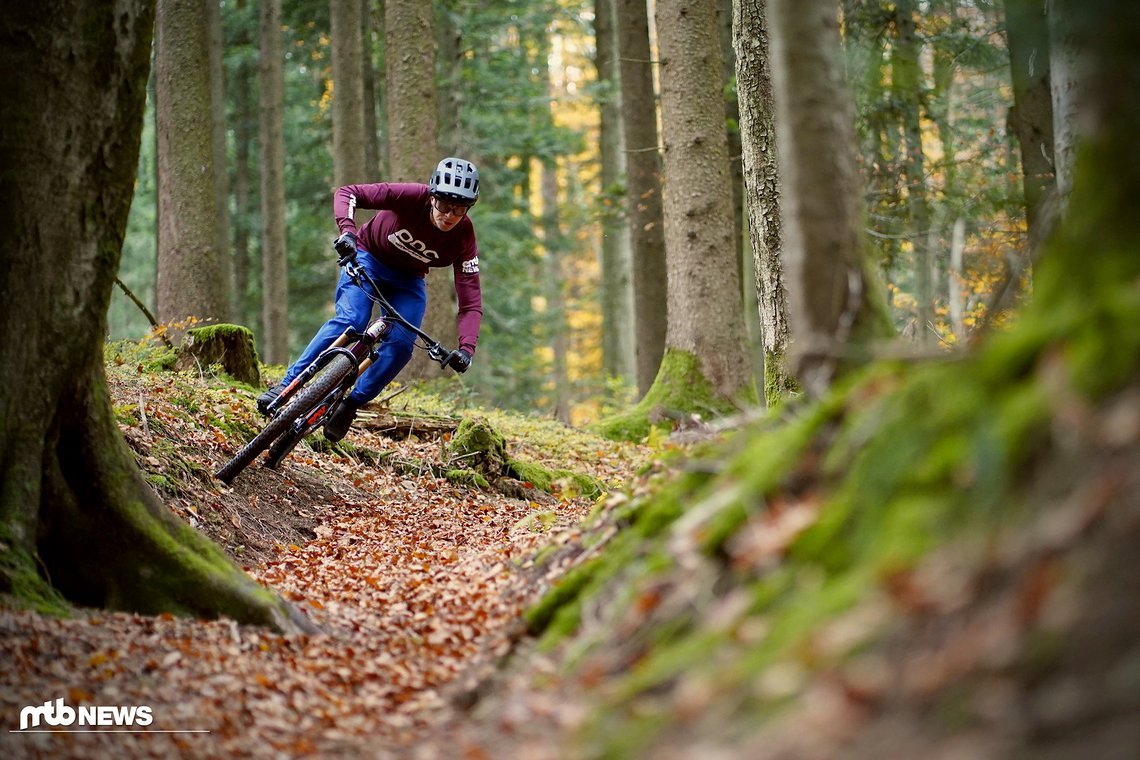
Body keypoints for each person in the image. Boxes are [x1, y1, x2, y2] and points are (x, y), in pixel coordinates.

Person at [258, 156, 483, 442]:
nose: (449, 215)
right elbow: (348, 192)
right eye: (444, 204)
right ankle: (287, 385)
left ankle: (350, 404)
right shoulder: (411, 196)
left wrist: (467, 349)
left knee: (402, 345)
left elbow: (471, 301)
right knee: (351, 321)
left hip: (409, 281)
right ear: (432, 196)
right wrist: (347, 232)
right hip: (368, 257)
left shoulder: (464, 236)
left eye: (459, 208)